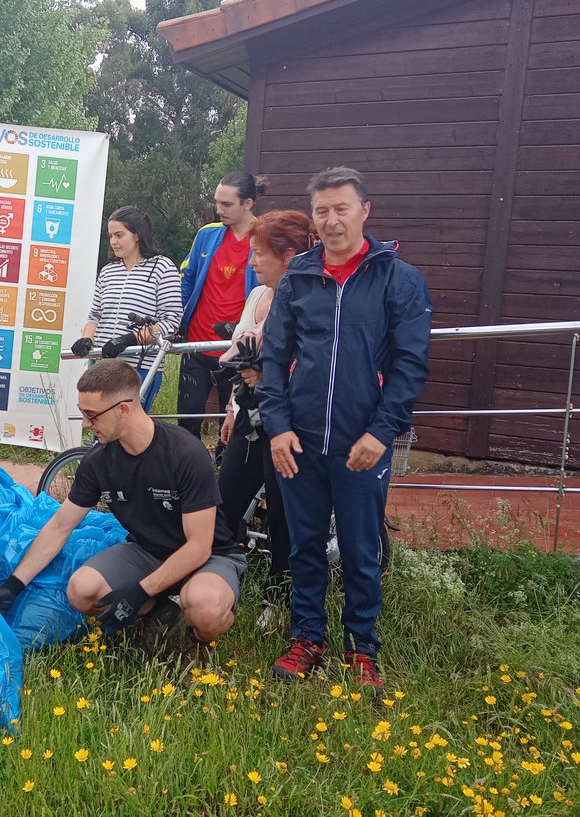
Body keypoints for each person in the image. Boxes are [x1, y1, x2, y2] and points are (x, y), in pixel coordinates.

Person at [258, 167, 432, 690]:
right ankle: (308, 637)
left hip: (363, 443)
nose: (332, 220)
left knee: (360, 549)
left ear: (364, 211)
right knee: (304, 544)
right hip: (299, 443)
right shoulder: (299, 277)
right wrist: (277, 426)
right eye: (322, 211)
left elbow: (409, 365)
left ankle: (362, 648)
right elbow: (274, 358)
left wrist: (382, 433)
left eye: (341, 209)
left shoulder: (397, 278)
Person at [0, 360, 245, 659]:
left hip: (209, 555)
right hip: (148, 551)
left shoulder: (185, 453)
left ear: (124, 409)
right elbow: (60, 526)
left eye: (91, 415)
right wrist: (14, 585)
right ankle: (161, 614)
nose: (85, 423)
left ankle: (197, 641)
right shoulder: (98, 461)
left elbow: (199, 546)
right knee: (81, 590)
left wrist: (139, 591)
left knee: (205, 607)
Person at [215, 210, 314, 622]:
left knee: (281, 515)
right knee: (222, 503)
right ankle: (214, 584)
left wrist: (265, 373)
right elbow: (238, 354)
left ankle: (278, 599)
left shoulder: (309, 301)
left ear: (288, 254)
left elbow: (308, 365)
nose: (251, 262)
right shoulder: (258, 297)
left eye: (258, 254)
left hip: (286, 420)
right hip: (248, 411)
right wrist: (232, 408)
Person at [70, 206, 182, 410]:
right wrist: (87, 338)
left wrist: (129, 340)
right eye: (111, 235)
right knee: (101, 426)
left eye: (119, 235)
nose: (113, 241)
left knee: (129, 428)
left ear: (137, 235)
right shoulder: (108, 271)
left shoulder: (163, 267)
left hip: (141, 365)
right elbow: (95, 314)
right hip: (103, 363)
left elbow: (171, 322)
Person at [177, 172, 262, 439]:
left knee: (236, 422)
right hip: (197, 343)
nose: (218, 210)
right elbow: (187, 278)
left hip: (238, 348)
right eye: (217, 202)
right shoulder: (207, 234)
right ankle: (188, 476)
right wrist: (177, 320)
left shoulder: (264, 237)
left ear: (247, 203)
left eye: (226, 204)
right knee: (188, 418)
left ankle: (223, 476)